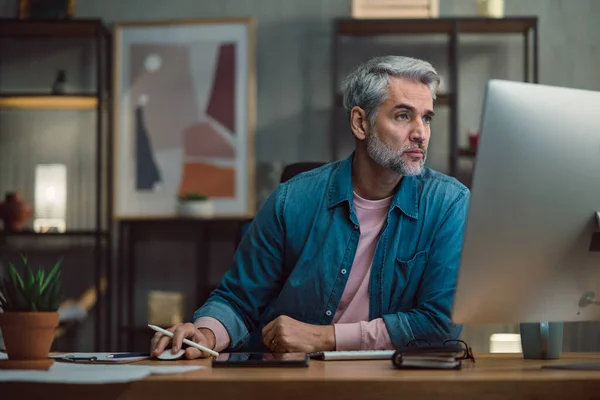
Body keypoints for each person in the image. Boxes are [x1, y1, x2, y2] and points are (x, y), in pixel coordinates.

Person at [151, 55, 470, 359]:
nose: (421, 133)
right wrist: (205, 334)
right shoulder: (291, 200)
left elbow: (440, 325)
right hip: (294, 381)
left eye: (426, 117)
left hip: (393, 382)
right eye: (403, 116)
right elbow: (238, 300)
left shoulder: (448, 205)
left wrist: (324, 337)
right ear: (360, 123)